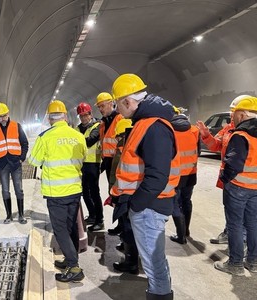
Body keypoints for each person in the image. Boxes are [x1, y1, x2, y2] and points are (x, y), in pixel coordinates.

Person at [111, 73, 179, 299]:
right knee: (154, 261)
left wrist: (136, 206)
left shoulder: (153, 127)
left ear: (128, 102)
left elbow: (157, 176)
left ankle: (159, 294)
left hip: (149, 207)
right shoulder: (144, 124)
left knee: (153, 263)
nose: (117, 110)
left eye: (117, 104)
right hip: (148, 205)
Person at [28, 100, 87, 283]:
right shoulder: (77, 135)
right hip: (75, 190)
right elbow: (83, 155)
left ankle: (74, 266)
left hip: (56, 193)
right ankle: (70, 261)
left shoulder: (45, 137)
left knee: (60, 229)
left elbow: (33, 161)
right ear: (65, 116)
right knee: (70, 227)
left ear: (48, 118)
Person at [196, 95, 250, 244]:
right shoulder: (228, 129)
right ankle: (229, 233)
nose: (231, 114)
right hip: (229, 178)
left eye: (233, 111)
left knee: (246, 215)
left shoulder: (250, 131)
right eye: (231, 111)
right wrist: (206, 135)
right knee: (230, 210)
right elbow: (216, 146)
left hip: (244, 181)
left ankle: (242, 242)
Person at [214, 96, 257, 276]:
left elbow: (233, 164)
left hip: (238, 187)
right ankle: (253, 262)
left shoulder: (240, 135)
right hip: (255, 188)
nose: (234, 117)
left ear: (243, 114)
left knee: (235, 225)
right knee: (253, 224)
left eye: (236, 114)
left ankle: (236, 264)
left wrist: (225, 178)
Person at [0, 102, 29, 224]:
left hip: (15, 164)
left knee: (18, 190)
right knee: (5, 190)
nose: (2, 118)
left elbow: (24, 143)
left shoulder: (16, 126)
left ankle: (21, 215)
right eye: (0, 116)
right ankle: (9, 216)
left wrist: (22, 158)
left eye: (4, 115)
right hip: (2, 165)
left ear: (8, 114)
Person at [109, 118, 140, 275]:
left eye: (119, 136)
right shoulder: (130, 148)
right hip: (128, 194)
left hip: (126, 195)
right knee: (128, 227)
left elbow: (121, 175)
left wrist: (115, 195)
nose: (117, 140)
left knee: (129, 228)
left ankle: (131, 262)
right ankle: (129, 251)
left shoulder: (126, 151)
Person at [169, 107, 200, 244]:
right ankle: (186, 230)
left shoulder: (169, 130)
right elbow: (198, 151)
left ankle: (180, 235)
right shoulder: (194, 130)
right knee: (186, 201)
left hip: (175, 173)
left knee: (175, 203)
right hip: (191, 173)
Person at [96, 92, 124, 235]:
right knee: (114, 194)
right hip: (108, 162)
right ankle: (120, 225)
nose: (101, 109)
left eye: (102, 106)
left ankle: (123, 227)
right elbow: (104, 143)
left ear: (111, 103)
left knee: (120, 195)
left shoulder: (119, 119)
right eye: (99, 107)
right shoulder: (103, 123)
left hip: (118, 162)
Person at [75, 102, 104, 232]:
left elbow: (90, 141)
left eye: (85, 115)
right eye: (81, 116)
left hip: (93, 164)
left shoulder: (97, 126)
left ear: (90, 114)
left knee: (94, 193)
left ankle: (100, 220)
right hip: (81, 164)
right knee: (84, 193)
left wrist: (78, 140)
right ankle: (92, 215)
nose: (83, 118)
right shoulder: (77, 128)